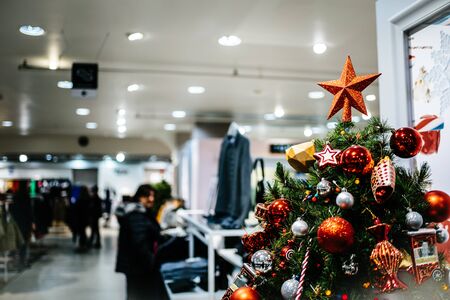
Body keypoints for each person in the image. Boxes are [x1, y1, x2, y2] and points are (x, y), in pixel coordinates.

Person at [115, 185, 168, 300]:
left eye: (152, 196)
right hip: (139, 267)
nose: (151, 199)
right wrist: (151, 261)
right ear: (139, 197)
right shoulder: (136, 214)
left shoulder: (140, 212)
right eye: (147, 196)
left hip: (137, 266)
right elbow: (139, 242)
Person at [75, 186, 91, 252]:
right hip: (85, 218)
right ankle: (83, 245)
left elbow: (77, 210)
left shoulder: (80, 199)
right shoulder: (88, 199)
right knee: (83, 232)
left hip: (81, 219)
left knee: (82, 232)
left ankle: (82, 245)